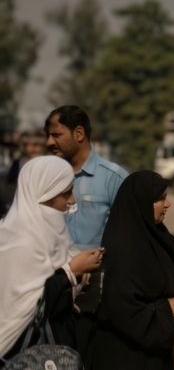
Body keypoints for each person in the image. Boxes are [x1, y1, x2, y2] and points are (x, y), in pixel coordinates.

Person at [84, 171, 174, 370]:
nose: (168, 204)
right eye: (160, 199)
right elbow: (120, 308)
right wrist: (168, 309)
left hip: (153, 354)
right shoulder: (122, 248)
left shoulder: (158, 237)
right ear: (142, 203)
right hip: (125, 356)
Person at [0, 156, 102, 358]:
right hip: (20, 355)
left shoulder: (48, 234)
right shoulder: (19, 242)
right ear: (45, 194)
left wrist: (77, 280)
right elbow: (25, 307)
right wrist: (71, 272)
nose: (72, 200)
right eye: (66, 194)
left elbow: (48, 297)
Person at [45, 105, 128, 249]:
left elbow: (128, 234)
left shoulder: (114, 178)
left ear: (79, 134)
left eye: (56, 135)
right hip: (56, 270)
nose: (49, 142)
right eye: (47, 136)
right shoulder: (46, 177)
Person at [2, 130, 46, 218]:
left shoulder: (52, 168)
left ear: (44, 147)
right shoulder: (12, 170)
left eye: (36, 145)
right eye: (25, 145)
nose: (29, 149)